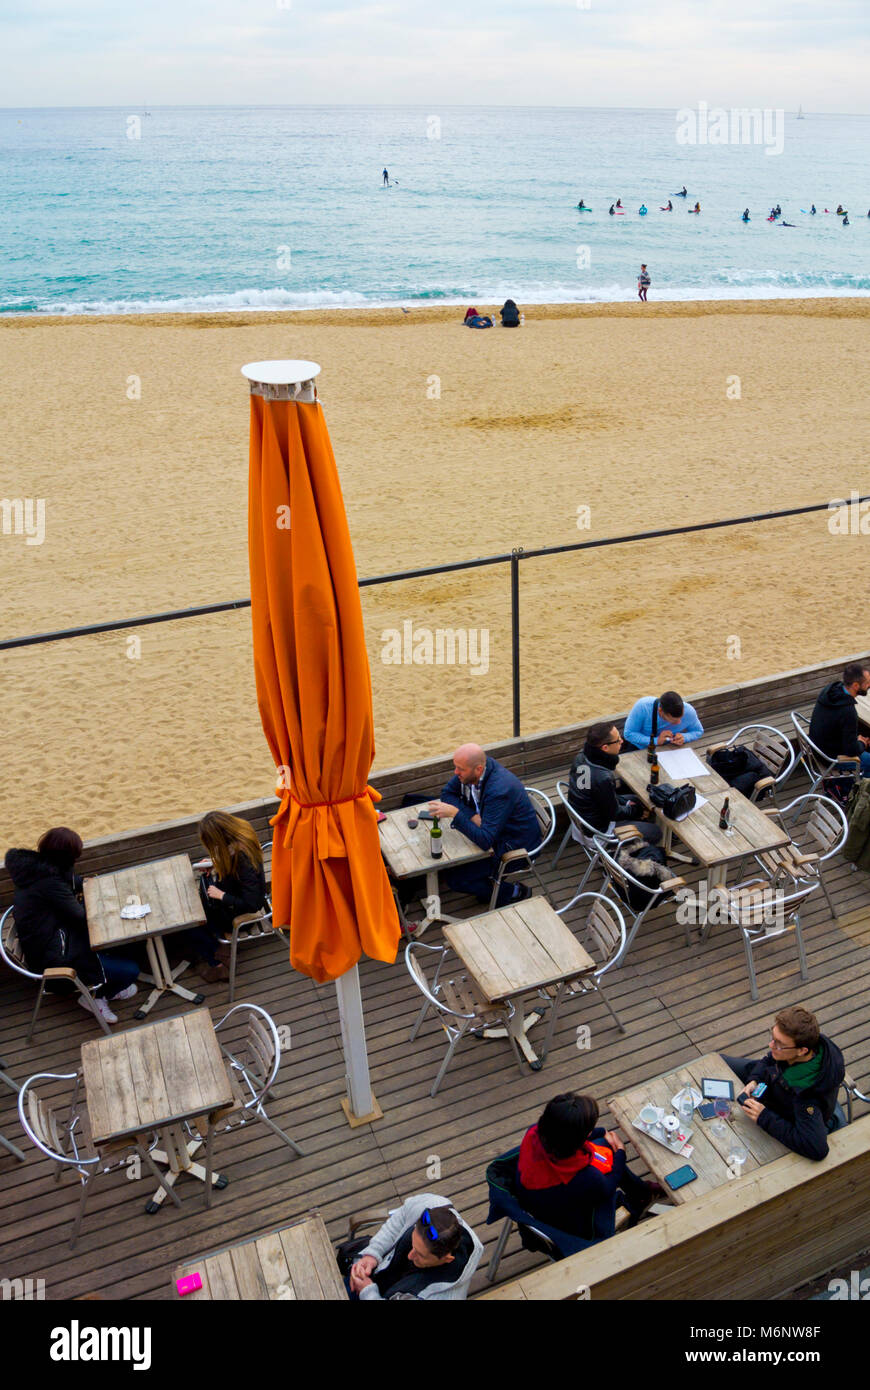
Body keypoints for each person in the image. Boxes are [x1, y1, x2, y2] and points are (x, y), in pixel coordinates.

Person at [4, 828, 139, 1025]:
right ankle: (95, 997)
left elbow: (69, 882)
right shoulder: (49, 882)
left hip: (51, 940)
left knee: (125, 946)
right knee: (130, 970)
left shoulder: (38, 870)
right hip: (55, 959)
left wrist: (85, 882)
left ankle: (109, 982)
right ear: (66, 857)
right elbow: (79, 915)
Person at [516, 1093, 662, 1239]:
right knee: (610, 1158)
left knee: (605, 1148)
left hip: (539, 1197)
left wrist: (601, 1131)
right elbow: (608, 1185)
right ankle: (637, 1202)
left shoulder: (535, 1132)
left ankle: (642, 1191)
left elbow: (563, 1135)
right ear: (577, 1139)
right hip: (574, 1223)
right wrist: (620, 1152)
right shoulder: (586, 1177)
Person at [722, 1006, 846, 1161]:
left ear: (802, 1051)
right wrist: (755, 1079)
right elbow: (769, 1059)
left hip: (783, 1112)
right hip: (770, 1079)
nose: (771, 1045)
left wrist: (764, 1117)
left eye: (778, 1043)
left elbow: (818, 1149)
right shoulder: (803, 1047)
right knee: (718, 1060)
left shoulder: (807, 1098)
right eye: (772, 1037)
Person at [428, 744, 541, 905]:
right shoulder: (473, 772)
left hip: (516, 848)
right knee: (450, 867)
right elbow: (447, 793)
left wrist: (456, 814)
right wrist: (473, 816)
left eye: (460, 769)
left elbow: (485, 840)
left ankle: (514, 892)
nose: (456, 772)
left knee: (456, 879)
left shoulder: (499, 790)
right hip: (498, 834)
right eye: (455, 767)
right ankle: (488, 889)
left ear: (479, 769)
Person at [347, 1195, 482, 1300]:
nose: (410, 1256)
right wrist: (373, 1253)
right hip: (372, 1275)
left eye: (420, 1255)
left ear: (447, 1259)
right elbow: (400, 1217)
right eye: (413, 1244)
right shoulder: (432, 1204)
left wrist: (368, 1292)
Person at [188, 810, 268, 983]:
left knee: (194, 922)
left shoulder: (243, 860)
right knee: (200, 902)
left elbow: (252, 904)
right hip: (234, 896)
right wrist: (214, 862)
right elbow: (232, 871)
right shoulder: (242, 837)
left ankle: (218, 963)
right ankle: (215, 951)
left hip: (242, 914)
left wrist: (222, 895)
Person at [568, 722, 662, 844]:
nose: (622, 741)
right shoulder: (602, 777)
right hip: (598, 833)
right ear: (605, 748)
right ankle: (617, 852)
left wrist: (629, 805)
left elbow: (600, 796)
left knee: (638, 800)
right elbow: (614, 813)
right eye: (618, 740)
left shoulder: (581, 757)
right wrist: (636, 811)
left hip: (583, 818)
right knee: (656, 832)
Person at [808, 662, 870, 773]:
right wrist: (861, 743)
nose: (869, 685)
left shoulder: (829, 690)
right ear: (856, 685)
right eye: (867, 683)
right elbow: (852, 751)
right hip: (831, 759)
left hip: (817, 749)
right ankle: (855, 788)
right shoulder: (848, 711)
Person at [621, 690, 704, 751]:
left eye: (681, 717)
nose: (679, 722)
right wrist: (656, 741)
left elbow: (698, 731)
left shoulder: (689, 711)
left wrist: (685, 737)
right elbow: (628, 734)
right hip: (640, 748)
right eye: (674, 720)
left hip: (670, 750)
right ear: (660, 711)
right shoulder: (643, 707)